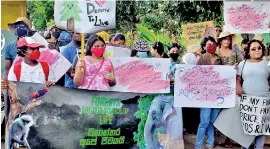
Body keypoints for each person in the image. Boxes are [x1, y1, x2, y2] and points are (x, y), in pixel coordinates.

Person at [236, 40, 269, 149]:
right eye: (253, 48)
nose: (257, 50)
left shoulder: (268, 63)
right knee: (247, 132)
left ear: (262, 49)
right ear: (248, 51)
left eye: (259, 48)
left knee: (260, 130)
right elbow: (238, 80)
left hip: (264, 101)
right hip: (247, 101)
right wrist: (238, 87)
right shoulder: (242, 64)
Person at [195, 36, 223, 149]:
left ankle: (210, 143)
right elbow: (195, 75)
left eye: (212, 44)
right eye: (208, 44)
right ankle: (198, 145)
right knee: (204, 121)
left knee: (212, 121)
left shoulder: (219, 59)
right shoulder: (201, 60)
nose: (211, 46)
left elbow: (224, 74)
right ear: (204, 47)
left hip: (216, 94)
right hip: (204, 95)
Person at [216, 31, 242, 148]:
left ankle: (227, 139)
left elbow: (241, 67)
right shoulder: (216, 54)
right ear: (220, 41)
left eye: (229, 39)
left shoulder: (235, 54)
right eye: (225, 39)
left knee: (229, 112)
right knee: (218, 112)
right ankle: (216, 138)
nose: (227, 41)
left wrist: (237, 68)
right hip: (217, 87)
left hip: (231, 87)